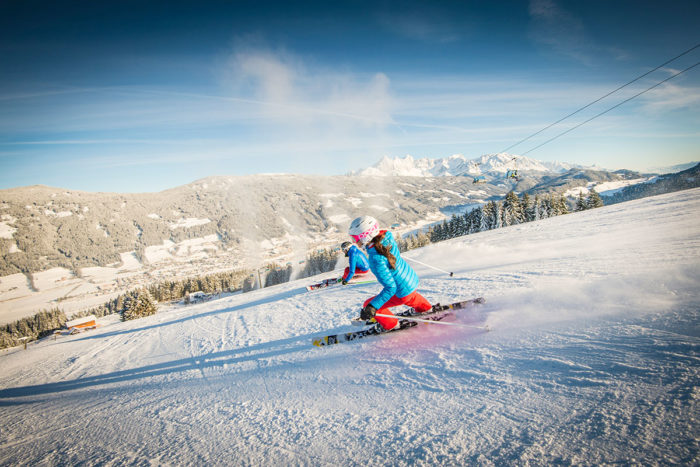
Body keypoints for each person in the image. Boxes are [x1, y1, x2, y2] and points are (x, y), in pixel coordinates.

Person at [348, 215, 432, 331]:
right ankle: (425, 308)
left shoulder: (375, 259)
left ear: (365, 237)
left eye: (355, 239)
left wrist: (372, 307)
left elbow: (390, 288)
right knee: (411, 296)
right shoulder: (387, 237)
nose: (355, 242)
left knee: (369, 304)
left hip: (402, 291)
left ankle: (392, 325)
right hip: (411, 279)